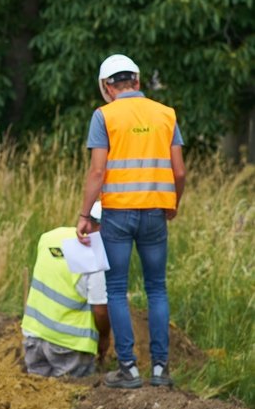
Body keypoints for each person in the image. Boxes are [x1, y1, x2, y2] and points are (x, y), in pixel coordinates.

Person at [77, 54, 186, 389]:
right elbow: (179, 170)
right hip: (156, 213)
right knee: (156, 288)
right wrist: (173, 204)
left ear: (107, 87)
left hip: (118, 215)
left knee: (115, 289)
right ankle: (160, 371)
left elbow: (97, 172)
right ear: (137, 82)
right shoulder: (166, 114)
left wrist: (84, 214)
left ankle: (128, 369)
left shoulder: (103, 116)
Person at [22, 203, 110, 378]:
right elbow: (100, 311)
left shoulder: (50, 237)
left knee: (34, 394)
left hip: (33, 337)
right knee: (70, 400)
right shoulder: (94, 255)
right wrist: (104, 339)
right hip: (69, 345)